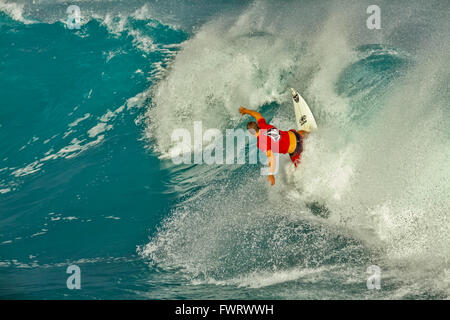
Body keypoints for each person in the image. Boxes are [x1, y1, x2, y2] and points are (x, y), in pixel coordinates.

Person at [239, 106, 308, 186]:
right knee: (300, 132)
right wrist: (246, 110)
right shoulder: (263, 125)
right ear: (257, 126)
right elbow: (257, 115)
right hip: (296, 135)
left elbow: (271, 157)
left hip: (296, 150)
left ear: (251, 133)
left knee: (299, 169)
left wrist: (271, 173)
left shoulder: (261, 143)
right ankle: (310, 133)